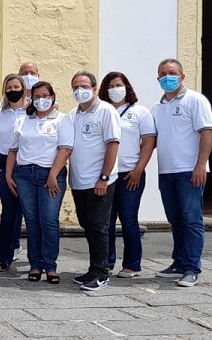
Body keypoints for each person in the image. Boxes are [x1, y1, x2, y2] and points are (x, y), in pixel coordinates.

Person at [151, 58, 212, 287]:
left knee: (192, 220)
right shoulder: (157, 107)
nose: (168, 77)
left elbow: (206, 133)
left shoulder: (195, 100)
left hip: (190, 171)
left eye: (172, 72)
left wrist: (200, 165)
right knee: (175, 220)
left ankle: (191, 267)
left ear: (182, 76)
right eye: (163, 73)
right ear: (158, 79)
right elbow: (152, 139)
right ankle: (178, 262)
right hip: (166, 171)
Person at [5, 81, 73, 284]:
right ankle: (35, 265)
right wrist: (9, 175)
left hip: (50, 175)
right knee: (32, 222)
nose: (41, 100)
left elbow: (65, 149)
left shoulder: (62, 120)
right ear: (31, 98)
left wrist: (53, 175)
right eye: (37, 96)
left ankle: (50, 266)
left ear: (52, 97)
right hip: (24, 174)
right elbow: (12, 150)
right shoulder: (24, 120)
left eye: (46, 95)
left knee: (49, 221)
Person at [67, 71, 121, 291]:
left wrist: (104, 177)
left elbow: (113, 144)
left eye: (84, 86)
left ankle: (101, 273)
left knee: (99, 227)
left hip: (99, 181)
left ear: (94, 88)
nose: (80, 90)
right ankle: (93, 268)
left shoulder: (106, 111)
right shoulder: (73, 114)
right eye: (76, 87)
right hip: (79, 181)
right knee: (87, 225)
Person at [99, 71, 156, 279]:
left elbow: (149, 141)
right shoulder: (102, 111)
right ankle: (106, 262)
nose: (115, 89)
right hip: (107, 175)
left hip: (130, 174)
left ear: (127, 87)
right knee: (106, 221)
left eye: (118, 85)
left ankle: (132, 264)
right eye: (111, 86)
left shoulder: (140, 112)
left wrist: (138, 169)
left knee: (128, 218)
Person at [0, 74, 28, 271]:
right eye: (9, 88)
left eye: (16, 87)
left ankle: (36, 258)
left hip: (27, 163)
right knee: (9, 210)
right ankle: (3, 256)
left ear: (23, 88)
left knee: (29, 212)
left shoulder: (32, 112)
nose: (13, 90)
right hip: (3, 161)